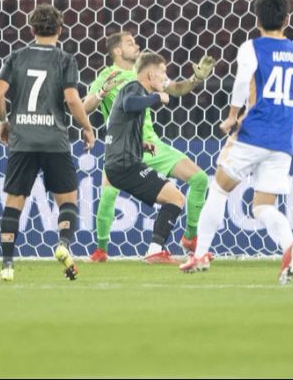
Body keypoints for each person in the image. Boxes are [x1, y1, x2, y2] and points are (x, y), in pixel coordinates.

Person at [180, 0, 293, 284]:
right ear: (287, 20)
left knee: (219, 190)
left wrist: (232, 115)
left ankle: (200, 255)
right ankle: (289, 245)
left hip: (252, 133)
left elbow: (242, 79)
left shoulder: (253, 47)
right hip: (281, 143)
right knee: (262, 206)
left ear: (257, 19)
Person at [84, 31, 215, 263]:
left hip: (149, 143)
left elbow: (175, 89)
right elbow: (85, 107)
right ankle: (101, 250)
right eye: (129, 43)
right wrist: (102, 91)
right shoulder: (108, 76)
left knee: (200, 179)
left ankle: (190, 238)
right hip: (122, 146)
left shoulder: (146, 73)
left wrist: (196, 80)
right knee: (108, 194)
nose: (136, 45)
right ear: (117, 50)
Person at [0, 4, 96, 282]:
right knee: (67, 199)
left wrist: (4, 122)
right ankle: (63, 243)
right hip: (55, 140)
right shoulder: (65, 59)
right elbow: (73, 99)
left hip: (22, 139)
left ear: (31, 29)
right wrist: (86, 127)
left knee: (15, 201)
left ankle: (7, 265)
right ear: (60, 30)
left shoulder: (16, 56)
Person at [101, 52, 190, 265]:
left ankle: (155, 250)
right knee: (176, 199)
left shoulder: (133, 90)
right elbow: (130, 104)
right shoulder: (134, 88)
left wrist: (140, 144)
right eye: (163, 72)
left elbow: (120, 122)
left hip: (122, 163)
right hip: (124, 165)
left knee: (174, 198)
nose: (165, 78)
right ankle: (154, 251)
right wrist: (157, 97)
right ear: (150, 75)